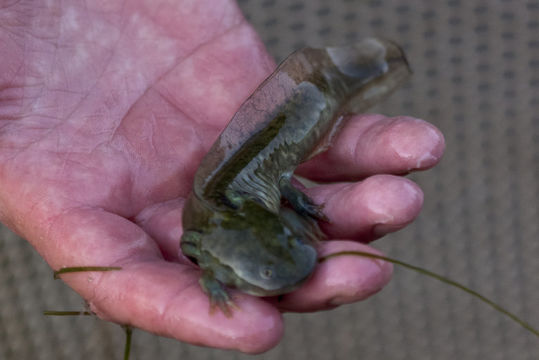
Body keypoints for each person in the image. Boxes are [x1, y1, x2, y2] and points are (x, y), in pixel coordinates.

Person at [0, 0, 444, 353]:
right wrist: (215, 284)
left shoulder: (239, 217)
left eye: (289, 242)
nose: (300, 245)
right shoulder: (208, 251)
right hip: (242, 196)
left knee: (293, 140)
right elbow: (199, 252)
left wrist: (300, 202)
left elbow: (264, 196)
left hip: (244, 187)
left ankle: (336, 82)